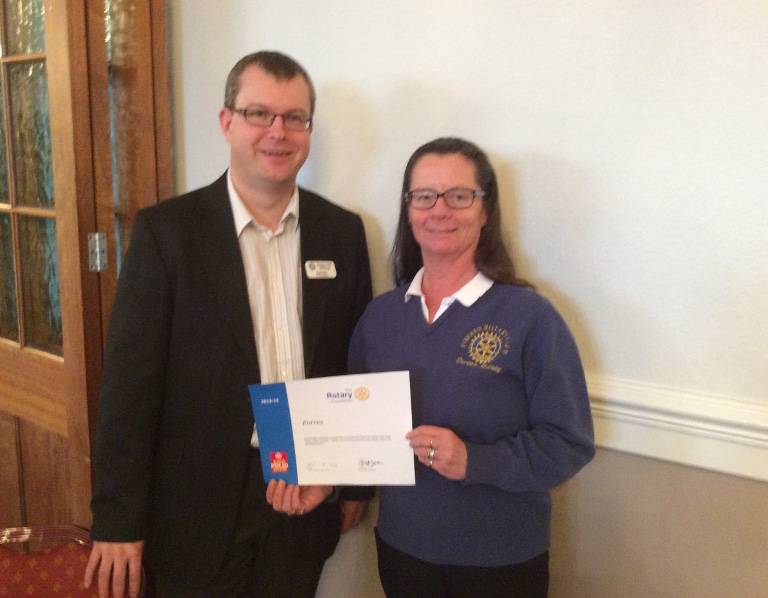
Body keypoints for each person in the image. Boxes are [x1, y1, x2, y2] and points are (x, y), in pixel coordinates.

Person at [83, 51, 373, 598]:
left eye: (295, 118)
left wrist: (354, 481)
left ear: (309, 129)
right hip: (196, 509)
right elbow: (129, 388)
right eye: (259, 113)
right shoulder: (167, 234)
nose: (278, 132)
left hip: (303, 493)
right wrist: (118, 518)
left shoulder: (342, 233)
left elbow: (352, 366)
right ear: (227, 122)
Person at [348, 137, 595, 597]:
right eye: (424, 196)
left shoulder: (530, 316)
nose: (439, 210)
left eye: (459, 196)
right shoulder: (380, 317)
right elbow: (354, 425)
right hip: (403, 549)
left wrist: (475, 461)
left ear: (486, 210)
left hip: (499, 559)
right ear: (408, 210)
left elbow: (569, 442)